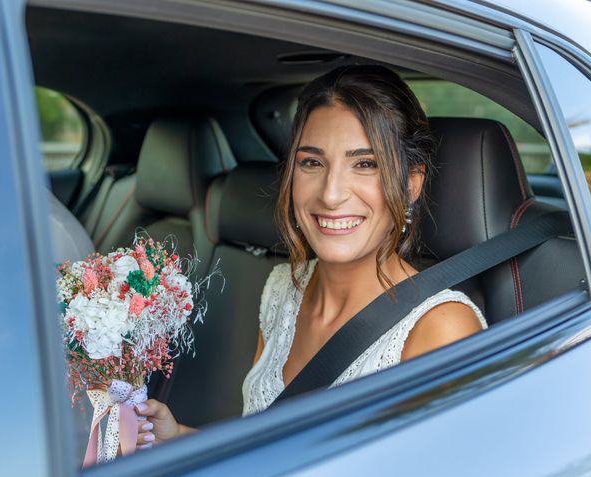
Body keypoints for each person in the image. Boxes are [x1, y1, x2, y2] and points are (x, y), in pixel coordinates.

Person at [134, 65, 487, 448]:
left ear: (411, 183)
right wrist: (176, 437)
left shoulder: (441, 328)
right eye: (312, 162)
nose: (331, 194)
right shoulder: (282, 287)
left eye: (365, 164)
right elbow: (262, 450)